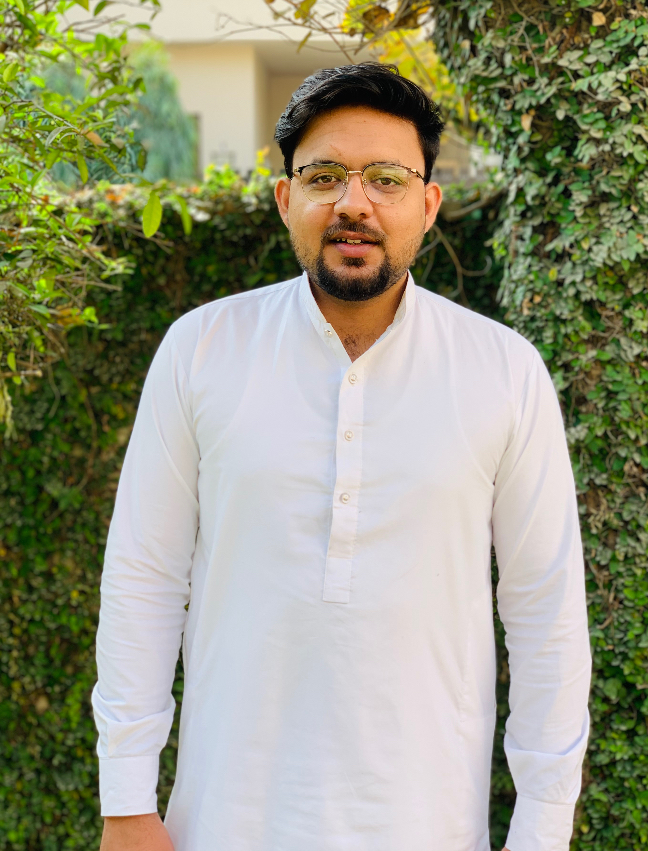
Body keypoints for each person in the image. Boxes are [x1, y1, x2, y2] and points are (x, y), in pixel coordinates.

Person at [94, 63, 591, 851]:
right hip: (226, 820)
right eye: (324, 177)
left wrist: (543, 831)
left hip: (428, 825)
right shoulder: (202, 350)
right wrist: (125, 800)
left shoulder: (503, 371)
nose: (353, 203)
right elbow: (144, 578)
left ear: (429, 204)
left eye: (386, 179)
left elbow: (545, 608)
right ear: (285, 198)